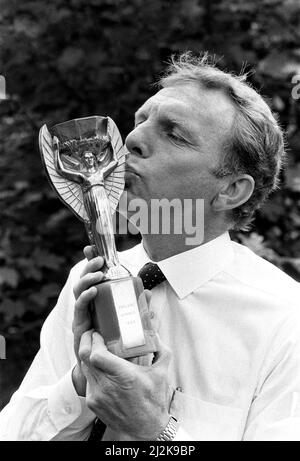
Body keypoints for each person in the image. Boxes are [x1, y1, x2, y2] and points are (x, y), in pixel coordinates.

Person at [1, 52, 300, 441]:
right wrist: (79, 383)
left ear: (230, 190)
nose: (134, 139)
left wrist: (155, 432)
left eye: (175, 134)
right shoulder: (88, 280)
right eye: (141, 121)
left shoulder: (286, 322)